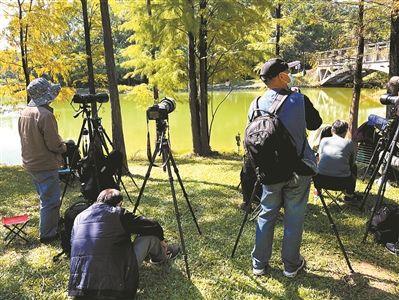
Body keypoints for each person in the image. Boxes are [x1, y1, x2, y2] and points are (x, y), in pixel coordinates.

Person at [249, 58, 322, 277]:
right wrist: (296, 97)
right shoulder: (299, 99)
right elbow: (315, 124)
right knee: (294, 217)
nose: (290, 75)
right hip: (298, 170)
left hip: (269, 171)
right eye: (288, 72)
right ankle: (291, 266)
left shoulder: (255, 103)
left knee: (266, 214)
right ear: (282, 77)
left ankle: (259, 264)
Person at [68, 188, 180, 299]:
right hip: (116, 288)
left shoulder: (79, 217)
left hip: (79, 289)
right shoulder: (118, 213)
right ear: (119, 204)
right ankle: (163, 256)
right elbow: (153, 225)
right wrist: (161, 240)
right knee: (149, 237)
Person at [18, 77, 66, 243]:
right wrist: (64, 147)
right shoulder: (44, 115)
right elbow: (54, 144)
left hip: (31, 162)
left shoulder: (24, 112)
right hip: (44, 164)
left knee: (45, 197)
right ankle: (48, 234)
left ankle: (52, 224)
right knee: (51, 201)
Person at [313, 120, 359, 201]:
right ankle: (349, 194)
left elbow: (319, 159)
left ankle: (317, 190)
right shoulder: (349, 143)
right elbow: (351, 163)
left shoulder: (324, 140)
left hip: (320, 181)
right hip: (342, 183)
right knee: (354, 167)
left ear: (332, 130)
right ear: (345, 131)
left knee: (318, 161)